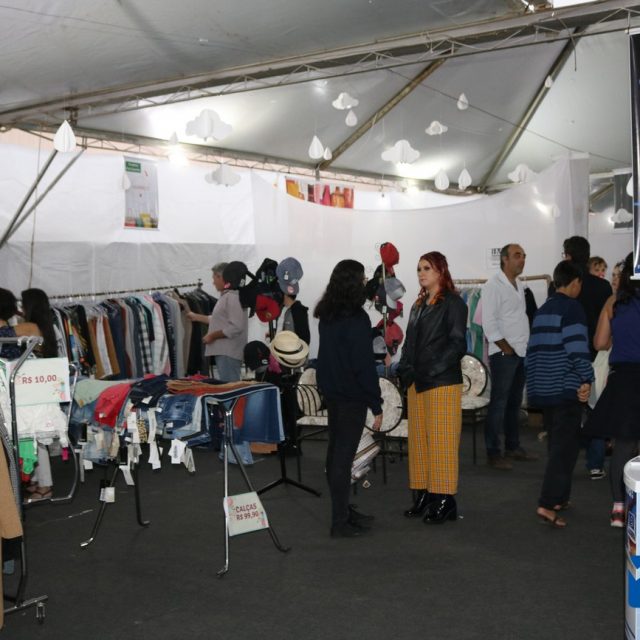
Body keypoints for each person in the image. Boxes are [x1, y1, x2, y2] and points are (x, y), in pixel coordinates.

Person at [397, 251, 468, 524]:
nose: (421, 273)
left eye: (427, 268)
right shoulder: (418, 304)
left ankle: (445, 501)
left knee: (442, 442)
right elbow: (409, 343)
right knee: (420, 443)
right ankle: (425, 495)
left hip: (441, 383)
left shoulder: (454, 303)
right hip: (417, 382)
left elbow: (458, 344)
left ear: (440, 271)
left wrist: (431, 369)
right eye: (419, 269)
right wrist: (405, 369)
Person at [314, 259, 383, 538]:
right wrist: (376, 402)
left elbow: (326, 359)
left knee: (336, 456)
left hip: (334, 394)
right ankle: (339, 521)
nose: (366, 283)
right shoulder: (356, 318)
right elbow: (363, 365)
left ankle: (342, 511)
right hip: (351, 397)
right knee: (342, 459)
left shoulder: (327, 315)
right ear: (354, 283)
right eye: (363, 279)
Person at [526, 261, 593, 528]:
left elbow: (532, 351)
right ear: (575, 282)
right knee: (564, 450)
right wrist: (587, 377)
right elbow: (577, 348)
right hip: (565, 388)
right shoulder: (572, 308)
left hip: (544, 389)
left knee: (560, 445)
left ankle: (559, 499)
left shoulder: (543, 310)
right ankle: (547, 503)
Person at [585, 252, 640, 527]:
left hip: (623, 380)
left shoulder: (614, 301)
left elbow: (600, 342)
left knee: (623, 445)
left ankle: (619, 508)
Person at [557, 236, 612, 480]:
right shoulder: (603, 287)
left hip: (567, 355)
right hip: (597, 355)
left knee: (567, 411)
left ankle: (563, 463)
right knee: (596, 409)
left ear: (568, 255)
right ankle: (595, 463)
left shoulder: (562, 285)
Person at [187, 261, 251, 464]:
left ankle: (239, 452)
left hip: (228, 353)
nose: (213, 281)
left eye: (215, 277)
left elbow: (236, 326)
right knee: (229, 400)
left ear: (223, 277)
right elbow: (217, 320)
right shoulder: (228, 297)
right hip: (226, 353)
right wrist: (195, 317)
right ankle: (231, 450)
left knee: (231, 400)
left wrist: (212, 336)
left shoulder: (232, 297)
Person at [481, 243, 536, 470]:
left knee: (514, 403)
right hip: (504, 353)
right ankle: (493, 452)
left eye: (523, 255)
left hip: (520, 351)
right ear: (504, 259)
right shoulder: (493, 285)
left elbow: (517, 318)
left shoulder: (520, 284)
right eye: (517, 255)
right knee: (499, 403)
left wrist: (521, 348)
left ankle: (512, 446)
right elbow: (489, 323)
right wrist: (506, 348)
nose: (522, 259)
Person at [19, 288, 61, 499]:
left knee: (35, 436)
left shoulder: (28, 328)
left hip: (33, 388)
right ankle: (38, 480)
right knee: (35, 436)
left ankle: (45, 485)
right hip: (45, 386)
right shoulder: (49, 327)